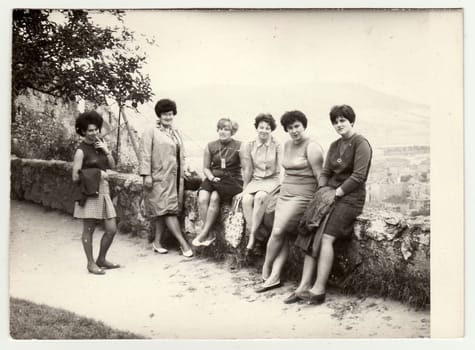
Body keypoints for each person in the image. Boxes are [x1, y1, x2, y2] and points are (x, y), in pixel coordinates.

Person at [286, 104, 372, 305]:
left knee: (326, 237)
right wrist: (323, 190)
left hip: (350, 198)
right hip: (330, 193)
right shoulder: (334, 145)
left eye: (343, 120)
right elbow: (325, 172)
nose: (339, 124)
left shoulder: (361, 143)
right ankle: (303, 286)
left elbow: (358, 176)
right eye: (335, 121)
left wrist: (337, 193)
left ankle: (319, 288)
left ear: (351, 121)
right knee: (310, 234)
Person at [257, 110, 324, 293]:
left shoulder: (312, 147)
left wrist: (318, 203)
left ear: (304, 126)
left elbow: (321, 177)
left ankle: (266, 267)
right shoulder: (286, 145)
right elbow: (285, 172)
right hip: (285, 193)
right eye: (290, 128)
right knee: (282, 233)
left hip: (303, 195)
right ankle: (274, 276)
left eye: (297, 126)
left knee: (278, 231)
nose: (294, 131)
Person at [139, 99, 193, 258]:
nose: (168, 117)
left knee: (162, 211)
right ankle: (183, 244)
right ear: (159, 115)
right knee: (168, 211)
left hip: (174, 178)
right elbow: (145, 154)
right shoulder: (151, 131)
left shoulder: (175, 132)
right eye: (165, 114)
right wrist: (146, 175)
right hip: (158, 177)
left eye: (170, 114)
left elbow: (179, 154)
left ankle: (157, 242)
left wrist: (185, 169)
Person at [72, 111, 120, 275]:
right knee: (89, 230)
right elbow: (75, 176)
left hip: (104, 191)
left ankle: (101, 258)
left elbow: (112, 166)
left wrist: (106, 151)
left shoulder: (100, 145)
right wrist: (98, 174)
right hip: (90, 192)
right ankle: (90, 263)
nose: (94, 133)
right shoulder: (81, 151)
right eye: (90, 130)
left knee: (112, 229)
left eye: (96, 129)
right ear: (83, 131)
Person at [192, 118, 243, 246]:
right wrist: (211, 178)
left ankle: (204, 234)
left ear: (232, 131)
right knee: (203, 198)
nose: (222, 132)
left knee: (214, 198)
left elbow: (247, 167)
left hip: (231, 180)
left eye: (226, 129)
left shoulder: (239, 146)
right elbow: (206, 167)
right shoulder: (210, 146)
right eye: (220, 129)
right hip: (213, 178)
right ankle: (209, 235)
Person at [240, 113, 281, 251]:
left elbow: (281, 168)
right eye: (261, 127)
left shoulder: (277, 144)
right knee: (246, 200)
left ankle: (252, 237)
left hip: (272, 180)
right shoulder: (249, 145)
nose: (264, 130)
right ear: (256, 128)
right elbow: (248, 169)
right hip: (255, 181)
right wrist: (244, 188)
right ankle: (259, 234)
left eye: (267, 128)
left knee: (260, 197)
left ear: (271, 130)